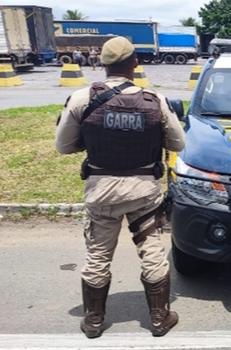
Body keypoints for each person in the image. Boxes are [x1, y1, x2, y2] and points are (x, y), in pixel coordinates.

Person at [55, 36, 186, 338]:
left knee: (98, 254)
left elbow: (63, 147)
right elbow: (179, 143)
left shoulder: (81, 99)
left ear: (101, 64)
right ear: (135, 63)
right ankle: (159, 318)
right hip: (144, 193)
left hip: (102, 192)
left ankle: (93, 321)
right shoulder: (156, 101)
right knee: (152, 250)